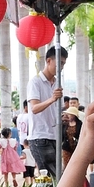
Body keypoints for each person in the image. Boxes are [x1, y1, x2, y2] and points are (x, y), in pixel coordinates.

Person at [27, 46, 66, 178]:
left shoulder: (57, 83)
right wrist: (52, 99)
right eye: (59, 63)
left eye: (64, 64)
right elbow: (34, 108)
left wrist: (61, 117)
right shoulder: (35, 82)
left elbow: (51, 110)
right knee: (51, 179)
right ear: (49, 61)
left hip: (54, 136)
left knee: (56, 178)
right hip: (40, 137)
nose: (61, 67)